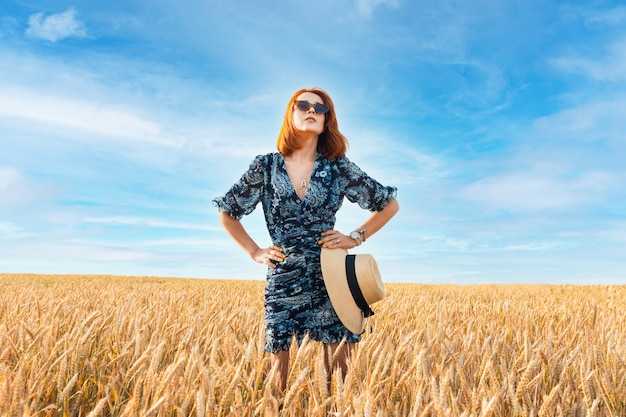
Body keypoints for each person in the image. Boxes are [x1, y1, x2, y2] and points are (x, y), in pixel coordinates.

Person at [212, 87, 399, 393]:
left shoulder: (338, 166)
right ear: (292, 113)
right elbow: (227, 211)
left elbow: (388, 204)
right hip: (283, 277)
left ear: (327, 121)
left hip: (333, 278)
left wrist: (354, 238)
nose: (312, 110)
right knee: (277, 386)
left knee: (336, 387)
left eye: (320, 108)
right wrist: (255, 251)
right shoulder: (266, 166)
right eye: (304, 105)